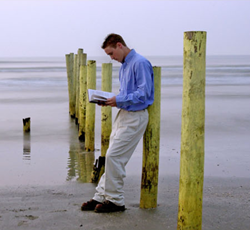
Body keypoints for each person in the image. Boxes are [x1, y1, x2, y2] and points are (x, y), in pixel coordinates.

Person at [81, 33, 154, 213]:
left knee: (115, 156)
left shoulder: (140, 63)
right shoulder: (124, 66)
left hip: (136, 116)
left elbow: (144, 94)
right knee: (111, 156)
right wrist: (109, 100)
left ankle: (115, 201)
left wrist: (118, 100)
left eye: (111, 53)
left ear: (119, 45)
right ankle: (100, 196)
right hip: (123, 114)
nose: (111, 58)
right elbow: (126, 93)